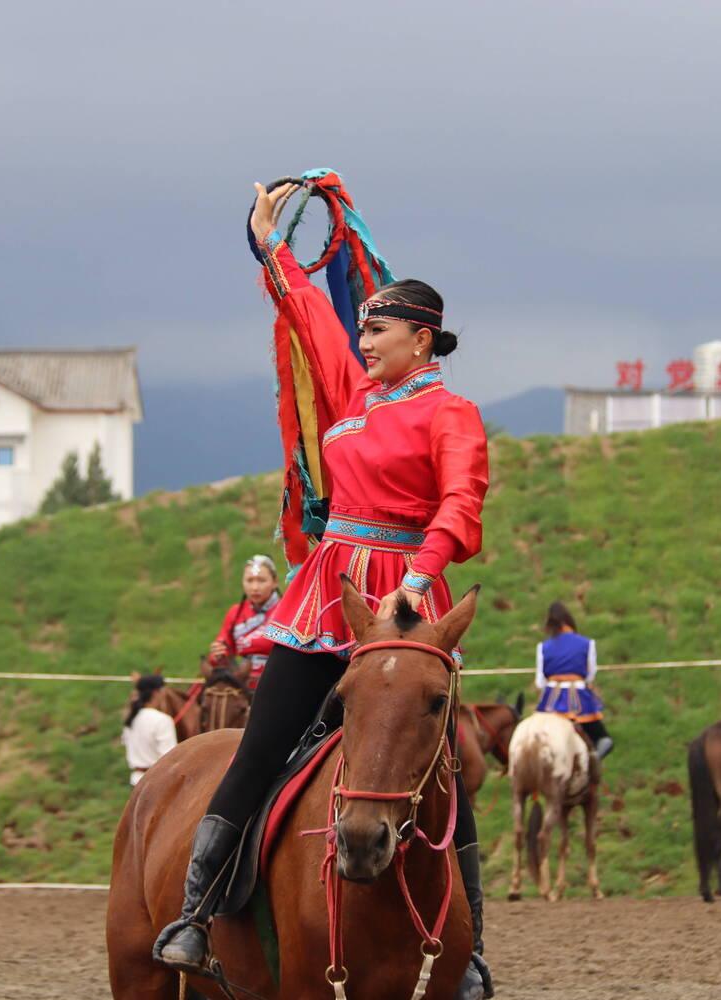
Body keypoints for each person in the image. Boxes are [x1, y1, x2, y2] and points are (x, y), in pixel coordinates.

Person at [153, 181, 494, 1000]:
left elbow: (462, 502)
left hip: (405, 597)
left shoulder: (454, 414)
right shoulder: (351, 397)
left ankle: (470, 950)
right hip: (326, 591)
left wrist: (418, 577)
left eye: (376, 330)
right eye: (362, 330)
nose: (362, 340)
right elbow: (309, 317)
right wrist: (271, 248)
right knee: (263, 744)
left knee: (441, 771)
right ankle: (197, 911)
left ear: (422, 338)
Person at [534, 602, 613, 760]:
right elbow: (590, 675)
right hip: (580, 700)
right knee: (604, 740)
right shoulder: (587, 644)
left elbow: (540, 682)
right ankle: (592, 761)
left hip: (551, 701)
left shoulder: (543, 647)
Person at [207, 554, 282, 689]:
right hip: (241, 684)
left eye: (261, 580)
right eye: (249, 580)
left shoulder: (287, 609)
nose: (254, 587)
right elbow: (220, 649)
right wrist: (217, 653)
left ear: (275, 581)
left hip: (277, 681)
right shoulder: (235, 613)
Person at [124, 675, 180, 786]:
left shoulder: (131, 719)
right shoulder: (162, 720)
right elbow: (169, 758)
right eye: (163, 691)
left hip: (136, 782)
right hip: (156, 784)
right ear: (155, 693)